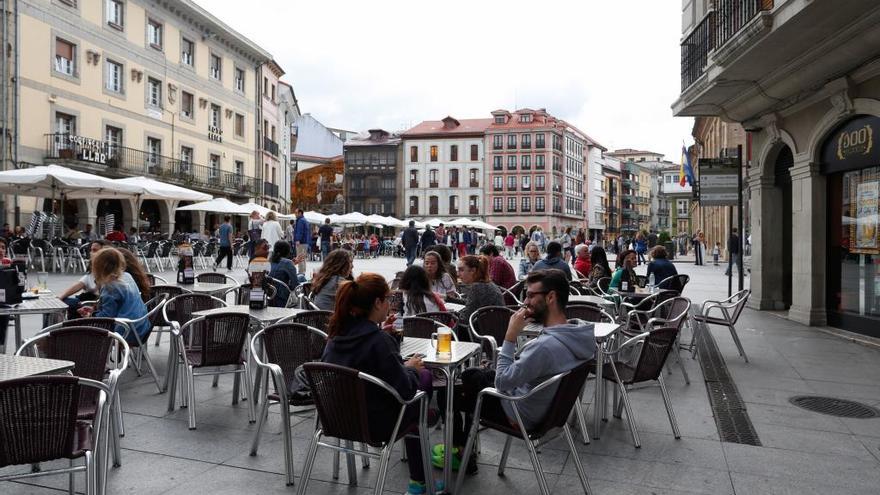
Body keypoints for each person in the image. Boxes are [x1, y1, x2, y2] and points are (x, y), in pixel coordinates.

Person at [444, 269, 596, 472]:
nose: (525, 301)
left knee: (452, 393)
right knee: (474, 377)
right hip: (549, 412)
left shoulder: (544, 347)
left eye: (532, 295)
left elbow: (502, 382)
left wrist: (510, 335)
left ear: (551, 297)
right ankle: (464, 450)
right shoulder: (578, 335)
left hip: (520, 414)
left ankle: (460, 452)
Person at [320, 273, 437, 495]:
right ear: (377, 303)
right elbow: (406, 390)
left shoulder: (335, 336)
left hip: (337, 419)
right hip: (377, 425)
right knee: (424, 379)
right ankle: (419, 476)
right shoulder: (379, 342)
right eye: (388, 299)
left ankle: (424, 418)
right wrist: (411, 368)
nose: (391, 304)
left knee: (414, 386)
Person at [79, 248, 149, 344]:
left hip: (125, 333)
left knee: (80, 335)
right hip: (141, 328)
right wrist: (95, 310)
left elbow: (106, 319)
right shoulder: (127, 276)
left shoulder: (110, 287)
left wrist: (89, 317)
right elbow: (118, 307)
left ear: (98, 268)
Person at [58, 240, 111, 319]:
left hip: (94, 303)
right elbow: (78, 285)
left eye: (95, 250)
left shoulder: (109, 273)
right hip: (88, 302)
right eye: (91, 250)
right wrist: (60, 297)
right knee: (61, 303)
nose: (91, 253)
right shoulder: (92, 272)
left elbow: (103, 298)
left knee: (71, 304)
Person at [456, 255, 504, 338]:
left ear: (473, 271)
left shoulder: (477, 287)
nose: (457, 274)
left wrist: (450, 314)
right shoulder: (488, 284)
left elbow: (465, 320)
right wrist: (447, 298)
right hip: (498, 331)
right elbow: (471, 303)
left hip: (482, 336)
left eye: (461, 270)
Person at [269, 240, 302, 307]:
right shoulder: (287, 263)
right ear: (287, 251)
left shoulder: (270, 260)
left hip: (269, 296)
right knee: (302, 278)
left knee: (301, 277)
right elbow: (295, 285)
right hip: (281, 298)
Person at [292, 209, 312, 273]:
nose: (295, 214)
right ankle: (303, 271)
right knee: (302, 258)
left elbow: (299, 231)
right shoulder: (304, 220)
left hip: (301, 242)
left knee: (300, 258)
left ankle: (301, 272)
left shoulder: (300, 221)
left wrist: (297, 239)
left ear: (300, 213)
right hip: (305, 242)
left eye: (296, 213)